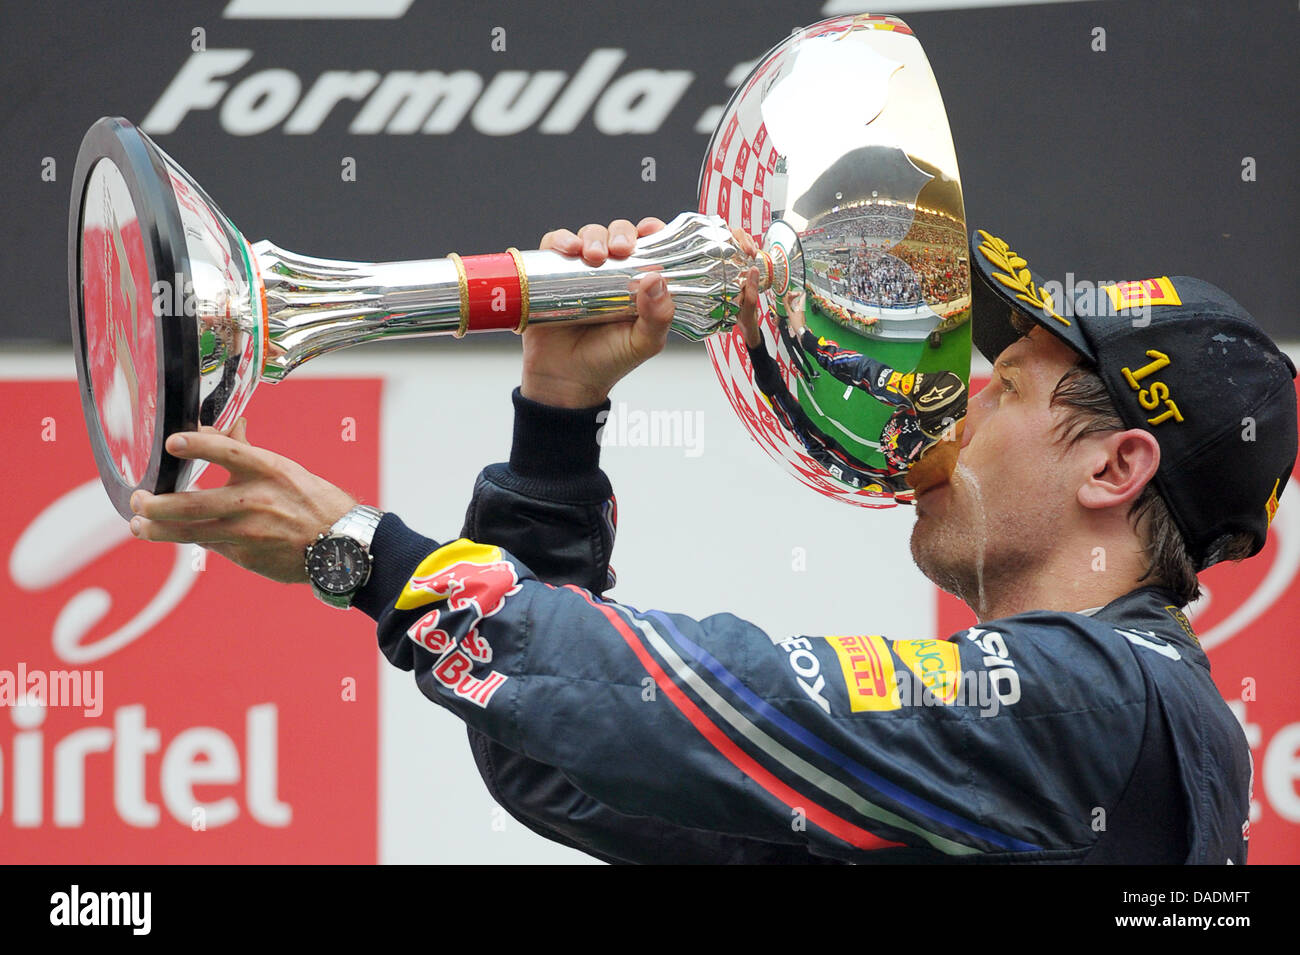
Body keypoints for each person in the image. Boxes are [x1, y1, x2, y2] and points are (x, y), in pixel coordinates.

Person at [126, 217, 1296, 864]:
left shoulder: (1099, 706)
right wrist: (556, 424)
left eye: (1005, 389)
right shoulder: (1049, 742)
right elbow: (563, 766)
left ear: (1113, 466)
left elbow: (673, 702)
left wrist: (361, 549)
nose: (953, 406)